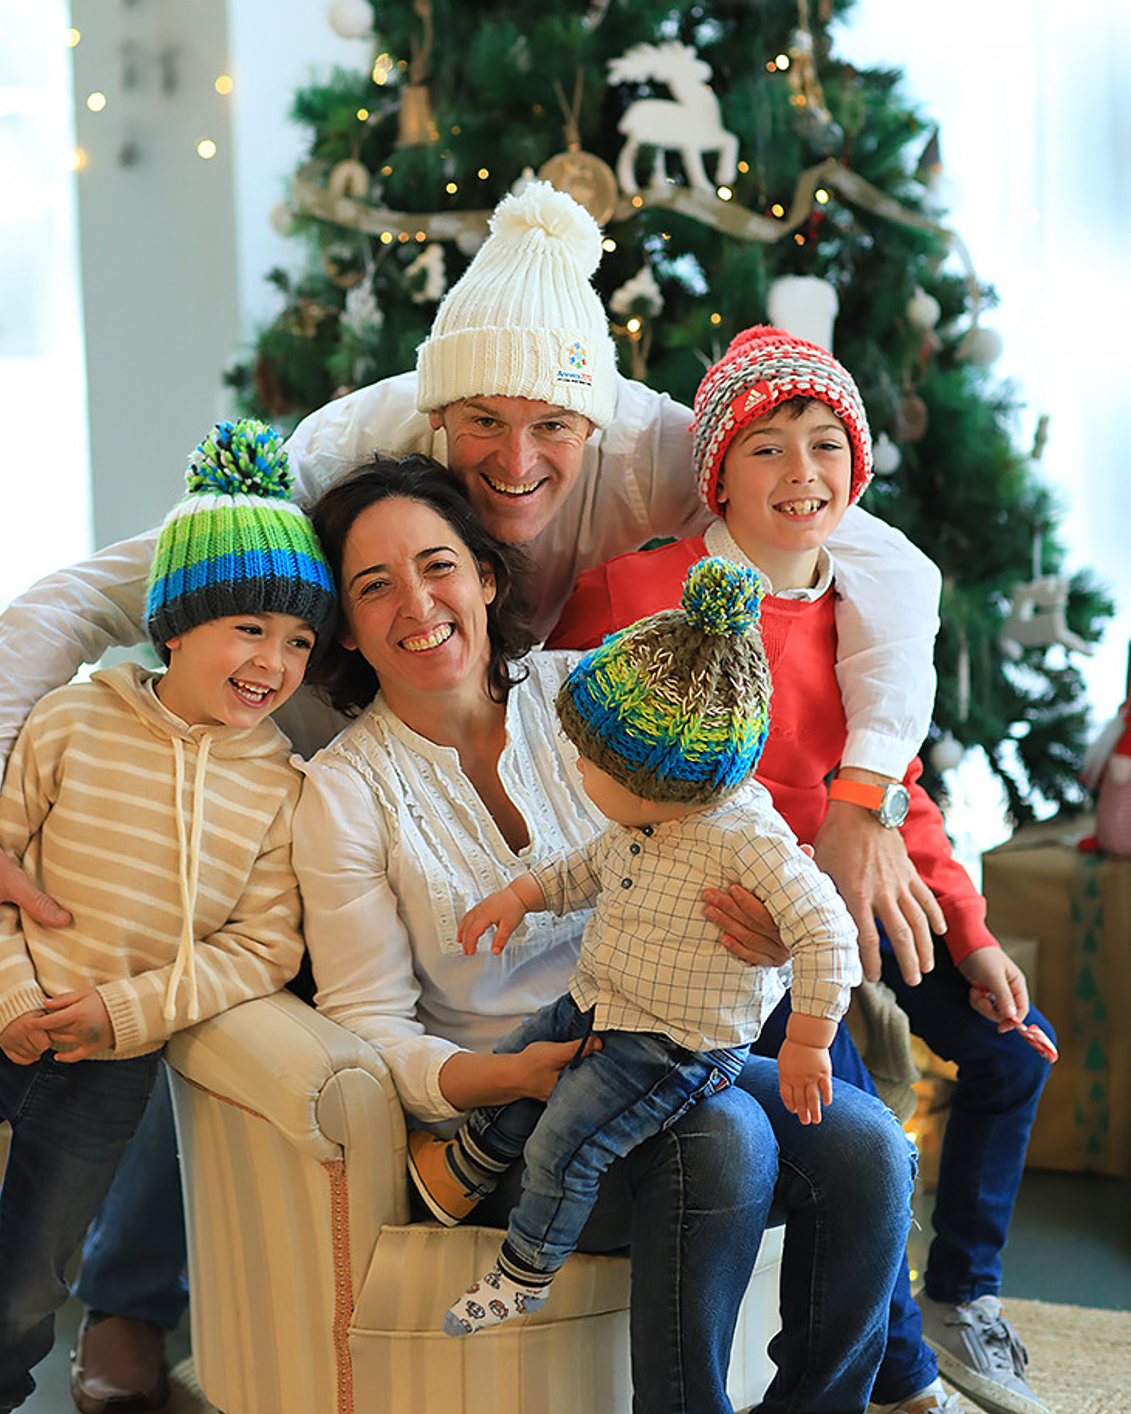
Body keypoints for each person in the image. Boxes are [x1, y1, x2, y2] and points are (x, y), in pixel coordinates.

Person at [0, 181, 941, 1406]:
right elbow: (91, 599)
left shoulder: (644, 490)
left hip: (632, 958)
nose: (518, 459)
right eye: (482, 423)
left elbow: (863, 557)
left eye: (550, 427)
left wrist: (856, 803)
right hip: (387, 858)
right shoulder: (340, 468)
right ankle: (131, 1304)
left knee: (862, 1143)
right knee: (235, 956)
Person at [294, 452, 915, 1412]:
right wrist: (510, 1075)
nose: (416, 603)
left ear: (488, 577)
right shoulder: (342, 790)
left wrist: (765, 933)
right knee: (726, 1137)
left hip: (663, 1035)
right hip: (516, 1108)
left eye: (438, 564)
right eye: (373, 586)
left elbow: (731, 814)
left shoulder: (587, 685)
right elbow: (368, 1025)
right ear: (345, 622)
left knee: (872, 1147)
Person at [550, 326, 1057, 1414]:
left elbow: (894, 792)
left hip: (850, 895)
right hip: (733, 932)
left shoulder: (862, 612)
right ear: (715, 476)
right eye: (766, 448)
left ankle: (960, 1298)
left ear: (854, 469)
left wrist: (964, 930)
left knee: (1015, 1050)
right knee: (852, 1121)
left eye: (824, 444)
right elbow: (574, 757)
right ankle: (901, 1376)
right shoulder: (633, 590)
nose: (801, 472)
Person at [0, 424, 334, 1414]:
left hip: (112, 1059)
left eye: (297, 642)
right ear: (174, 627)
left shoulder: (283, 787)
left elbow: (264, 945)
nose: (274, 661)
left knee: (30, 1292)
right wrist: (14, 992)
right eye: (248, 627)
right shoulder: (69, 719)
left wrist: (126, 1013)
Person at [400, 558, 861, 1338]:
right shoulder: (647, 819)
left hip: (671, 1046)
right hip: (602, 1001)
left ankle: (524, 1273)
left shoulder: (748, 841)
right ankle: (475, 1159)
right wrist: (518, 897)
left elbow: (827, 932)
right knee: (523, 1051)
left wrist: (810, 1041)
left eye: (590, 763)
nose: (575, 768)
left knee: (568, 1137)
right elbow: (586, 870)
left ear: (651, 785)